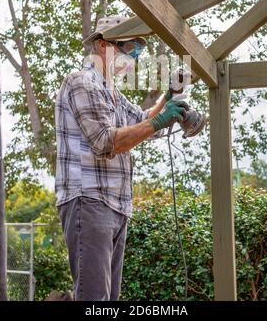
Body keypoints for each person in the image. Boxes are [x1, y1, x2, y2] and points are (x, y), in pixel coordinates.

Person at [55, 16, 191, 301]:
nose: (135, 57)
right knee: (94, 299)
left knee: (109, 299)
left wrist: (169, 97)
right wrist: (158, 122)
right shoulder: (82, 82)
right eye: (131, 47)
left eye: (139, 50)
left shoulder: (112, 93)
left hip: (115, 205)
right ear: (104, 46)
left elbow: (142, 122)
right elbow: (105, 142)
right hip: (89, 199)